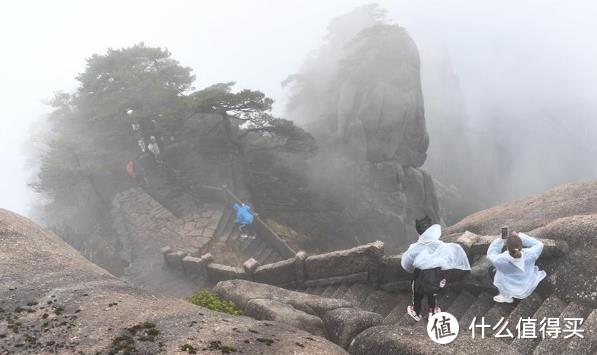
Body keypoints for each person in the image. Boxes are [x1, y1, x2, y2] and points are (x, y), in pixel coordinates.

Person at [401, 218, 471, 322]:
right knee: (432, 294)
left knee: (417, 295)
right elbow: (448, 261)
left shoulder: (414, 248)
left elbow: (407, 265)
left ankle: (416, 312)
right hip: (435, 277)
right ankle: (432, 312)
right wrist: (444, 277)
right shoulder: (442, 246)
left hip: (419, 277)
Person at [487, 231, 546, 303]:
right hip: (528, 283)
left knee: (492, 270)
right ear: (521, 246)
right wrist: (519, 236)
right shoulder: (531, 254)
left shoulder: (499, 260)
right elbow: (539, 244)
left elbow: (491, 253)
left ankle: (506, 296)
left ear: (507, 247)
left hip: (510, 287)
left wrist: (500, 240)